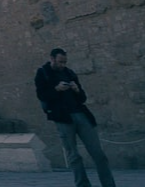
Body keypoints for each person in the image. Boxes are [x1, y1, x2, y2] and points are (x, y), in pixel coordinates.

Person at [35, 47, 116, 187]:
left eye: (65, 62)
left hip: (81, 114)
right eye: (60, 62)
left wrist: (77, 90)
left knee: (98, 154)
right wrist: (56, 89)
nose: (62, 65)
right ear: (52, 59)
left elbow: (82, 98)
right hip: (63, 118)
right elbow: (42, 95)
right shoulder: (43, 73)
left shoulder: (69, 73)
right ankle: (82, 184)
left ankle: (109, 184)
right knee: (73, 155)